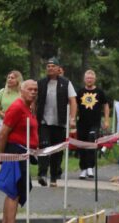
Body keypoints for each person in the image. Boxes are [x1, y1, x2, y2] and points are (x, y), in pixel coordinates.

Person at [0, 79, 38, 223]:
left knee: (16, 189)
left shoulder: (29, 107)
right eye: (30, 89)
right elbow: (3, 133)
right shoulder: (17, 107)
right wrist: (1, 154)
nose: (33, 92)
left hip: (24, 152)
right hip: (14, 151)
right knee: (13, 189)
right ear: (22, 90)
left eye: (35, 89)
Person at [36, 58, 77, 187]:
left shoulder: (66, 83)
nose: (50, 68)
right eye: (48, 66)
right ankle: (42, 174)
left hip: (60, 123)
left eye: (53, 66)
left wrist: (72, 118)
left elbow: (73, 101)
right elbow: (33, 100)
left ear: (58, 68)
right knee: (44, 146)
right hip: (44, 121)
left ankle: (54, 176)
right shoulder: (41, 83)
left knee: (57, 150)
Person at [75, 69, 109, 179]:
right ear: (84, 79)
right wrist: (72, 119)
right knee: (82, 145)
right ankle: (83, 169)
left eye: (91, 78)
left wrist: (107, 120)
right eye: (87, 78)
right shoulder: (79, 92)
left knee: (91, 142)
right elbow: (75, 106)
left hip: (95, 123)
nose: (89, 80)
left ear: (94, 79)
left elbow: (106, 105)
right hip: (81, 123)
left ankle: (90, 167)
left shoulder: (99, 92)